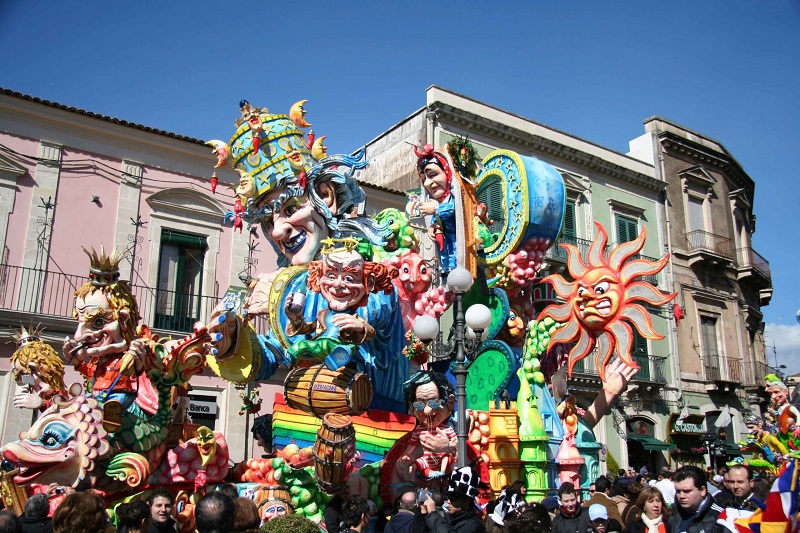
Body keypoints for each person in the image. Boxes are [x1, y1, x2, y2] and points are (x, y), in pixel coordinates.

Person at [420, 466, 485, 533]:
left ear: (467, 500)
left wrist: (432, 514)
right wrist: (422, 515)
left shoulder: (473, 525)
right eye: (448, 497)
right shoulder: (447, 519)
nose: (448, 502)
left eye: (453, 498)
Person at [666, 466, 722, 533]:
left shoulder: (720, 517)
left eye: (687, 491)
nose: (681, 496)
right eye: (678, 491)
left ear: (702, 491)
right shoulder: (673, 514)